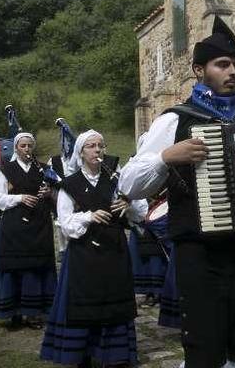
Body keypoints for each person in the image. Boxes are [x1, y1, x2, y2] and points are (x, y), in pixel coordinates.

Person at [120, 16, 235, 368]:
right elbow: (128, 183)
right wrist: (166, 157)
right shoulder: (175, 120)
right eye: (222, 64)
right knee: (206, 353)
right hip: (201, 258)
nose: (232, 71)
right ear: (198, 70)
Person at [41, 129, 140, 367]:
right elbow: (66, 224)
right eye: (92, 146)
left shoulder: (117, 179)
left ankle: (115, 355)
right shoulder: (70, 184)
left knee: (115, 299)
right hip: (84, 254)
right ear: (81, 153)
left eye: (101, 145)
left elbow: (140, 213)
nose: (98, 150)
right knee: (85, 303)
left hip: (115, 251)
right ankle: (82, 354)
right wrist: (89, 216)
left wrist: (129, 202)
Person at [0, 132, 57, 329]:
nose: (26, 149)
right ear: (16, 148)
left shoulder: (44, 169)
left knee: (36, 268)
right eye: (22, 146)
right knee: (14, 268)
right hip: (14, 225)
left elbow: (60, 193)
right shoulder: (7, 170)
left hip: (39, 225)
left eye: (29, 146)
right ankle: (13, 312)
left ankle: (33, 313)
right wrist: (20, 198)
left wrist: (50, 193)